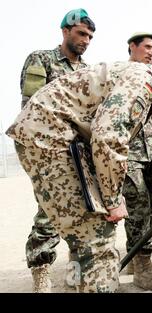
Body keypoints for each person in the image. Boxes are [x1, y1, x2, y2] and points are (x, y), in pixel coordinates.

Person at [6, 45, 152, 293]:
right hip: (51, 137)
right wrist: (112, 199)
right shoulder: (144, 79)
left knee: (83, 237)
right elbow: (108, 137)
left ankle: (85, 287)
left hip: (47, 135)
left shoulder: (134, 75)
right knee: (97, 238)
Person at [19, 8, 95, 292]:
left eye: (89, 36)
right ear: (65, 31)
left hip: (80, 152)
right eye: (81, 34)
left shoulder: (87, 71)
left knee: (83, 213)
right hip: (50, 150)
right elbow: (31, 106)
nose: (85, 40)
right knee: (49, 212)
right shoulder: (41, 60)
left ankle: (75, 271)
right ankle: (40, 269)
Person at [122, 32, 152, 292]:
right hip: (129, 156)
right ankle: (141, 269)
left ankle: (140, 260)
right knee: (137, 210)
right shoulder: (122, 75)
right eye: (147, 47)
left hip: (150, 156)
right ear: (132, 47)